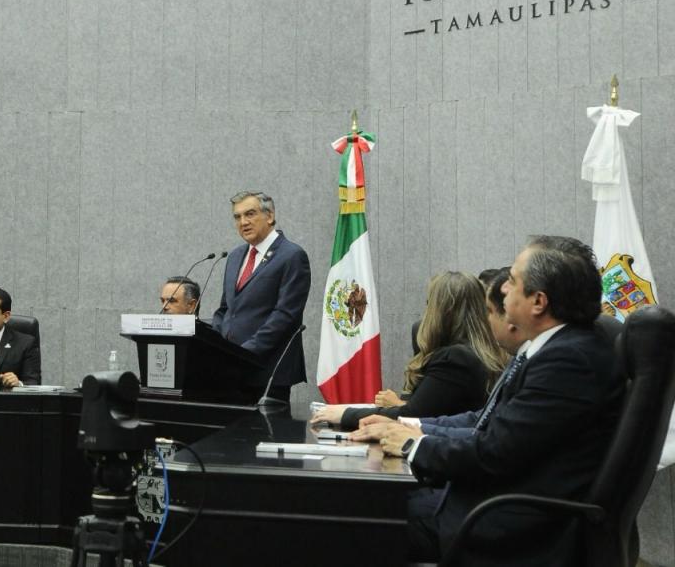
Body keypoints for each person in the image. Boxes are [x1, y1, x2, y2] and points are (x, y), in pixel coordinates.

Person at [377, 236, 621, 565]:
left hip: (505, 529)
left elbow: (493, 452)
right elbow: (489, 426)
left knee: (357, 517)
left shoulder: (568, 361)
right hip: (487, 503)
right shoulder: (557, 348)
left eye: (513, 281)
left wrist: (413, 445)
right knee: (370, 502)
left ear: (538, 302)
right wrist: (412, 427)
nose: (503, 288)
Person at [312, 271, 507, 431]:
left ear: (442, 311)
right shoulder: (484, 351)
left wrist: (345, 414)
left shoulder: (456, 358)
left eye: (429, 304)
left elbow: (412, 414)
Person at [211, 191, 311, 402]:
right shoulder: (235, 256)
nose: (243, 222)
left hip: (267, 371)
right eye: (237, 217)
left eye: (250, 214)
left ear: (270, 216)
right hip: (230, 370)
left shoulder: (292, 255)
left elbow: (285, 315)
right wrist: (217, 348)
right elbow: (225, 309)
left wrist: (244, 354)